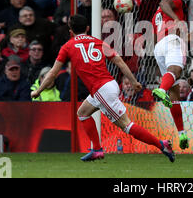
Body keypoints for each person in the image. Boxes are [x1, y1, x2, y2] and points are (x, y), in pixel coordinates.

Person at [31, 14, 175, 162]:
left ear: (70, 31)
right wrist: (133, 81)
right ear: (87, 28)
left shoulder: (68, 46)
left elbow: (52, 73)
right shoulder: (98, 42)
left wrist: (38, 90)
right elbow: (118, 60)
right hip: (107, 85)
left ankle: (162, 145)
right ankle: (97, 149)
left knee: (126, 125)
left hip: (101, 89)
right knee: (83, 112)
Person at [151, 0, 189, 150]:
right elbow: (164, 3)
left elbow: (153, 38)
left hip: (159, 47)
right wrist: (177, 19)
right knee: (175, 71)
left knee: (175, 95)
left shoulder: (155, 17)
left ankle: (182, 133)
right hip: (172, 41)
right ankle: (161, 89)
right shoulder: (174, 0)